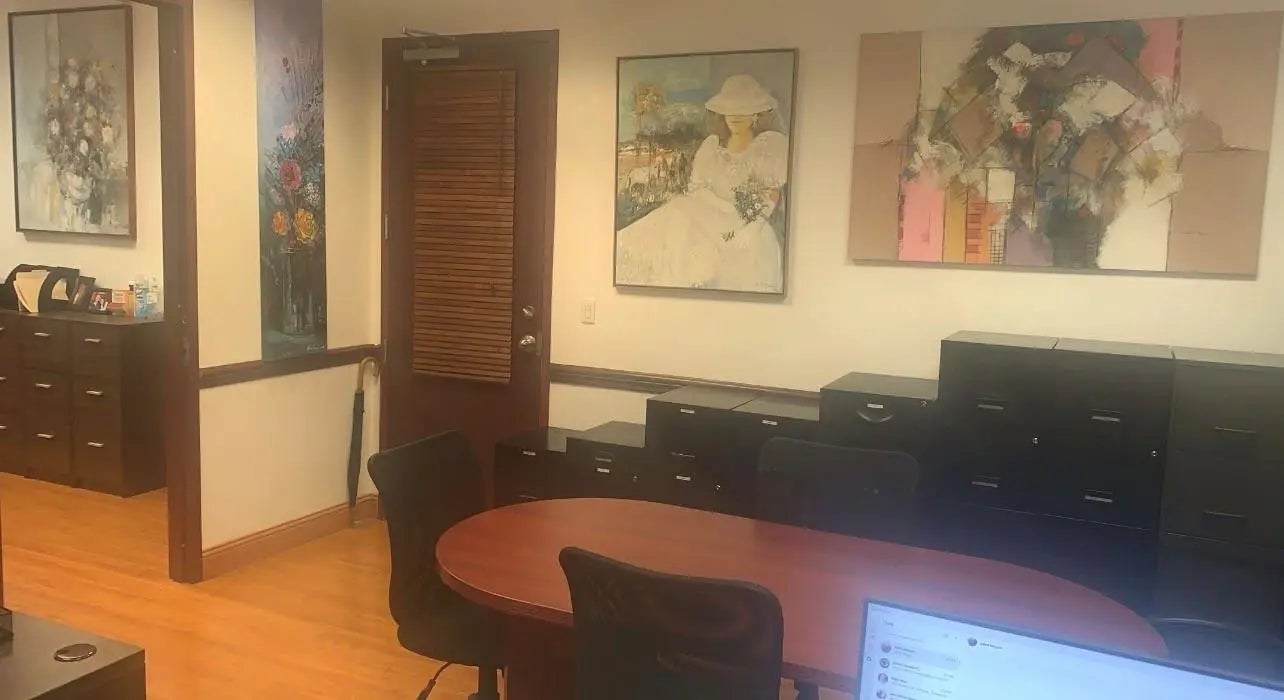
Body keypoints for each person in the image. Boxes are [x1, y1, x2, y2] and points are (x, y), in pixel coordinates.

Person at [616, 74, 789, 293]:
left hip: (744, 224)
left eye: (743, 111)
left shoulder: (768, 147)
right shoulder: (711, 147)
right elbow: (696, 188)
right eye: (730, 111)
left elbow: (771, 194)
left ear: (756, 115)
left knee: (684, 218)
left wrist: (750, 229)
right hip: (707, 214)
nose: (735, 117)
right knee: (675, 213)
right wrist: (710, 203)